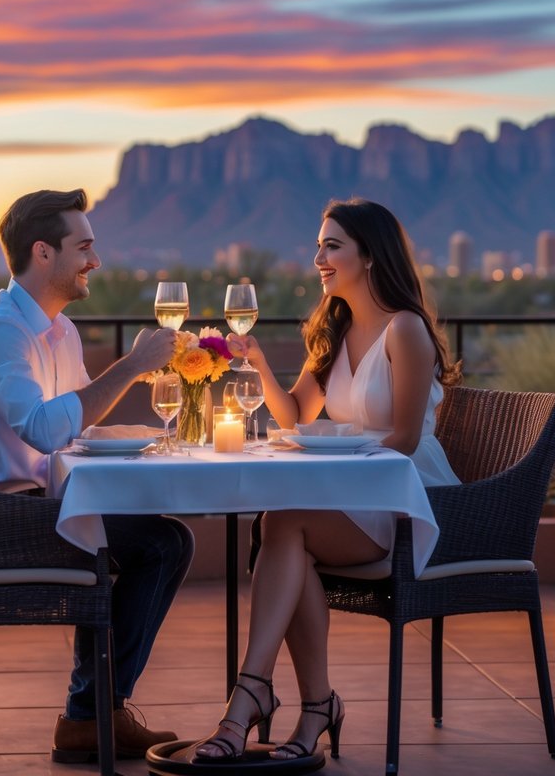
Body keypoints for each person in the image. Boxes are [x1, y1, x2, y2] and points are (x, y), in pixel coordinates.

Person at [194, 197, 462, 763]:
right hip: (353, 492)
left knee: (283, 525)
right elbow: (295, 415)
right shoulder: (337, 330)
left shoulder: (405, 329)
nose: (318, 256)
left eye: (331, 245)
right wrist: (260, 362)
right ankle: (307, 704)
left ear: (369, 255)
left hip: (404, 498)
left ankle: (256, 699)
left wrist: (333, 473)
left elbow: (407, 439)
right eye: (318, 245)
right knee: (282, 528)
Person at [0, 188, 194, 763]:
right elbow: (47, 431)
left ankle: (91, 714)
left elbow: (72, 433)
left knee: (160, 536)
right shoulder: (1, 331)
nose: (95, 262)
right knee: (163, 544)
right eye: (84, 248)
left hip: (31, 503)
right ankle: (91, 716)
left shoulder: (59, 331)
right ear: (43, 253)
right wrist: (131, 366)